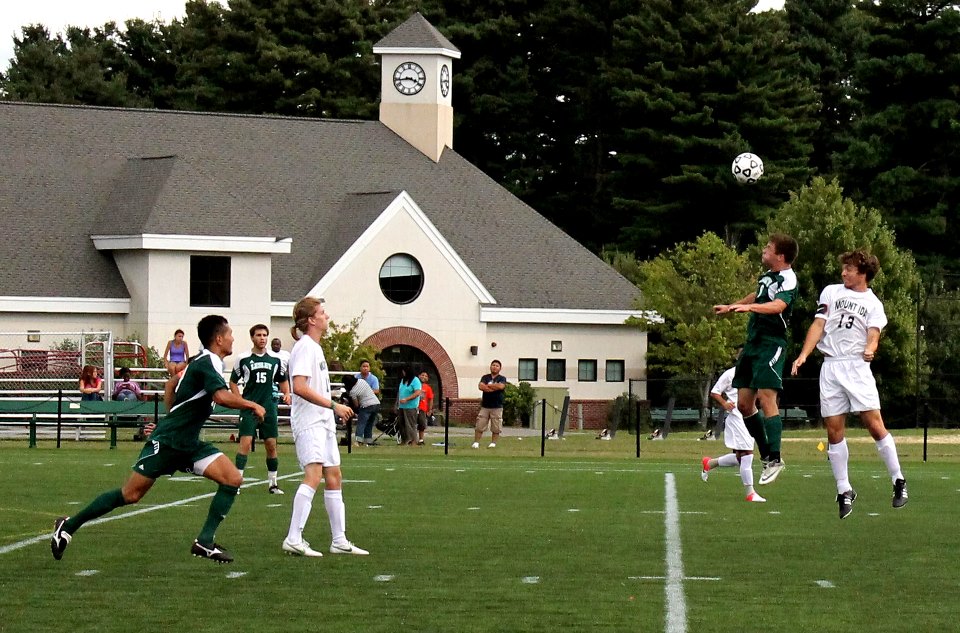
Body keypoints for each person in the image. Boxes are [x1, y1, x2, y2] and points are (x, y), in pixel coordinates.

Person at [51, 315, 266, 564]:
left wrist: (174, 411)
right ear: (218, 339)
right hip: (168, 442)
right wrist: (252, 405)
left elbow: (171, 384)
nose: (232, 338)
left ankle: (204, 542)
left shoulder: (203, 362)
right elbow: (220, 397)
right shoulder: (208, 361)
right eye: (229, 334)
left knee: (232, 479)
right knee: (131, 495)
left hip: (187, 444)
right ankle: (67, 526)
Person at [791, 250, 907, 519]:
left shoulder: (873, 303)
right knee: (833, 431)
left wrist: (870, 349)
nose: (843, 273)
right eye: (844, 268)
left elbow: (873, 334)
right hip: (831, 366)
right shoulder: (831, 292)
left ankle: (898, 480)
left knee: (874, 424)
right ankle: (844, 490)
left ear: (863, 273)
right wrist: (804, 354)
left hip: (856, 367)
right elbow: (819, 324)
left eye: (849, 269)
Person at [282, 296, 368, 557]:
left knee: (334, 475)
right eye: (322, 312)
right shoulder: (305, 347)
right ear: (311, 320)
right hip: (310, 422)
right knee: (314, 475)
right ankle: (293, 537)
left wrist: (331, 412)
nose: (326, 316)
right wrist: (334, 406)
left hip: (323, 422)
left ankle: (339, 540)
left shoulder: (315, 348)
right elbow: (299, 387)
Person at [714, 234, 798, 485]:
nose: (764, 250)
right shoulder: (767, 277)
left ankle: (775, 457)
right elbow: (758, 295)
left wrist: (749, 309)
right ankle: (767, 455)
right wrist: (732, 306)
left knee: (766, 396)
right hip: (753, 344)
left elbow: (778, 306)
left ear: (780, 256)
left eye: (768, 248)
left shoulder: (788, 278)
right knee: (743, 404)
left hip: (771, 344)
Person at [230, 324, 290, 494]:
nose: (262, 338)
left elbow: (282, 379)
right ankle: (237, 483)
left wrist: (287, 393)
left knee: (271, 444)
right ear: (252, 338)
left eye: (264, 335)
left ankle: (273, 484)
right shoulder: (244, 358)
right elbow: (233, 381)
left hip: (268, 407)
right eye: (258, 335)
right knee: (246, 443)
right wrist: (239, 400)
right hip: (249, 406)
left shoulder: (275, 359)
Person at [701, 365, 765, 502]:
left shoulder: (756, 372)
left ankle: (710, 463)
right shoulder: (730, 374)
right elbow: (715, 392)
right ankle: (750, 493)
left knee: (740, 458)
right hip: (737, 418)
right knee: (747, 455)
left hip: (750, 417)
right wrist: (724, 403)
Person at [473, 360, 507, 449]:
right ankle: (476, 442)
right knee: (480, 424)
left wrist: (488, 386)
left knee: (496, 426)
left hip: (497, 406)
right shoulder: (485, 377)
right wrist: (493, 387)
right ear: (490, 366)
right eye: (493, 365)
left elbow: (501, 386)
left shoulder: (502, 378)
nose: (494, 367)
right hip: (485, 406)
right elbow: (481, 386)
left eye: (497, 366)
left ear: (500, 368)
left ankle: (493, 443)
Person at [342, 374, 380, 446]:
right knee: (369, 423)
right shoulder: (362, 381)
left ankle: (358, 441)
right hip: (376, 403)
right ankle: (368, 440)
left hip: (366, 406)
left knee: (361, 423)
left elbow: (356, 405)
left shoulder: (353, 391)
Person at [396, 365, 422, 445]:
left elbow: (417, 392)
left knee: (410, 424)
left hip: (411, 406)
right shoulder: (403, 380)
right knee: (401, 424)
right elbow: (400, 392)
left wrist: (407, 399)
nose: (403, 373)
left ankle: (413, 441)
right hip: (401, 406)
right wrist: (396, 404)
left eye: (404, 371)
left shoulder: (415, 380)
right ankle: (404, 440)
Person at [416, 370, 435, 446]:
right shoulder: (415, 384)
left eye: (426, 376)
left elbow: (430, 399)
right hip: (414, 407)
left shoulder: (428, 388)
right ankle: (411, 439)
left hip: (422, 408)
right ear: (419, 376)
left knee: (422, 424)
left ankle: (421, 439)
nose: (424, 377)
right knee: (412, 424)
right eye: (422, 375)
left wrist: (429, 409)